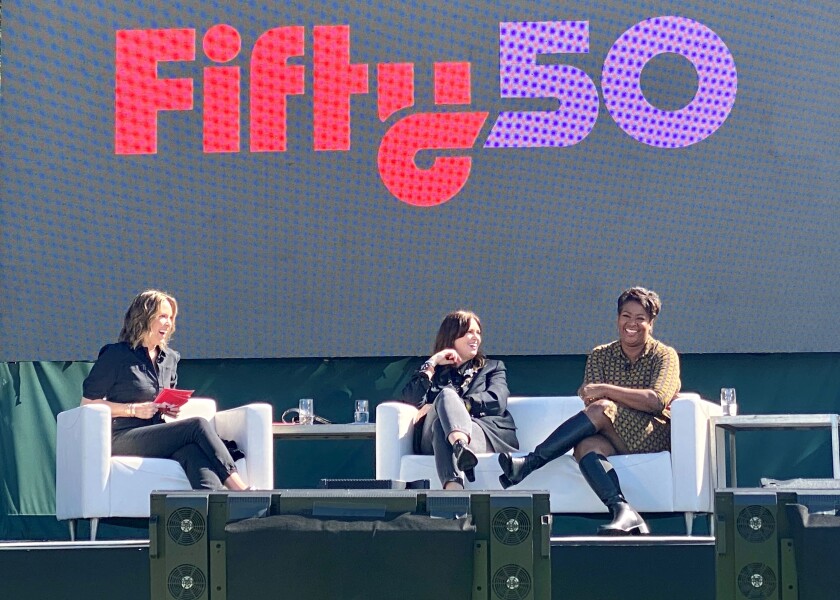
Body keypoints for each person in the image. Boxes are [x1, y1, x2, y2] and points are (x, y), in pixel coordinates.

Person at [498, 287, 681, 535]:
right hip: (611, 434)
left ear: (651, 322)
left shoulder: (664, 355)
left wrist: (607, 391)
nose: (632, 323)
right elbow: (589, 399)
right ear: (618, 318)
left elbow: (655, 401)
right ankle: (622, 510)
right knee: (585, 447)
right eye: (626, 316)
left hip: (652, 434)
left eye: (640, 318)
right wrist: (617, 399)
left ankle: (530, 462)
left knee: (603, 408)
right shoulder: (600, 354)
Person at [81, 290, 249, 491]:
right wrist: (133, 409)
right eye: (162, 316)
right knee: (197, 425)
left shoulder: (169, 358)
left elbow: (161, 398)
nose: (168, 323)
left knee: (192, 451)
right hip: (123, 436)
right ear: (143, 317)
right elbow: (88, 404)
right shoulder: (116, 355)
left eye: (170, 318)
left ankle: (214, 512)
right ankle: (239, 489)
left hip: (155, 431)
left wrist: (167, 407)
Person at [399, 310, 519, 489]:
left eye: (478, 332)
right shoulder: (434, 372)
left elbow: (497, 400)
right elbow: (409, 403)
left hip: (482, 433)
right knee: (445, 401)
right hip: (429, 440)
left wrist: (453, 405)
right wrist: (432, 362)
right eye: (469, 332)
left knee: (442, 423)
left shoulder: (493, 368)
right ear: (451, 336)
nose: (476, 338)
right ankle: (460, 447)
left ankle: (454, 495)